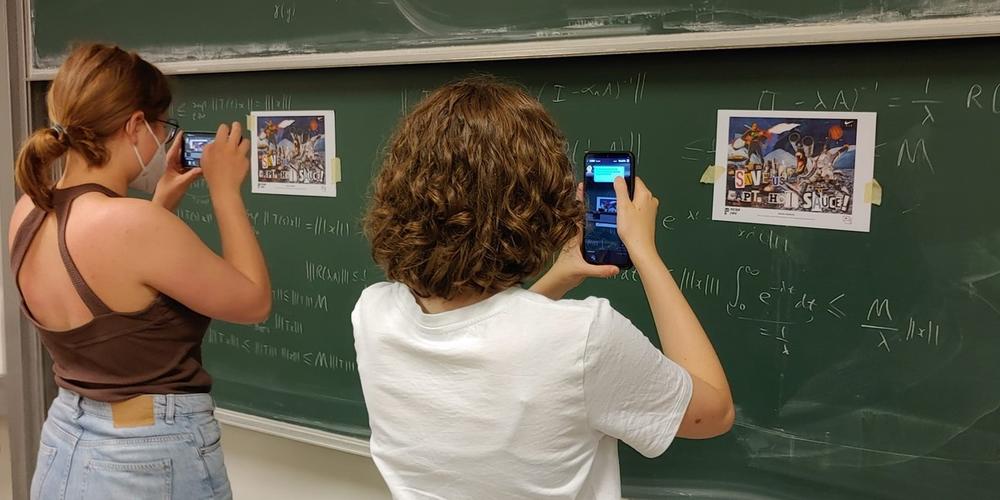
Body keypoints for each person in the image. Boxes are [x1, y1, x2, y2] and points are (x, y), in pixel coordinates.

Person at [355, 76, 734, 499]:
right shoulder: (585, 337)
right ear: (535, 202)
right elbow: (714, 413)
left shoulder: (372, 313)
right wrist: (645, 253)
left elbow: (489, 342)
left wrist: (560, 276)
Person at [10, 43, 271, 500]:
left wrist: (162, 200)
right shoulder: (132, 224)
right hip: (146, 454)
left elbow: (117, 280)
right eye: (160, 126)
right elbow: (253, 302)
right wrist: (225, 190)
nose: (162, 139)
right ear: (134, 125)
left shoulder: (29, 209)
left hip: (65, 442)